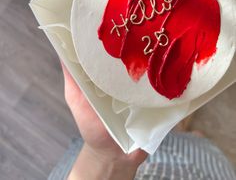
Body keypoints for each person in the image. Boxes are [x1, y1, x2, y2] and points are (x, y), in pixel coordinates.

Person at [48, 63, 236, 180]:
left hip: (93, 166)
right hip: (190, 171)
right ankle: (185, 134)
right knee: (196, 151)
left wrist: (103, 156)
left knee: (150, 124)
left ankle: (176, 127)